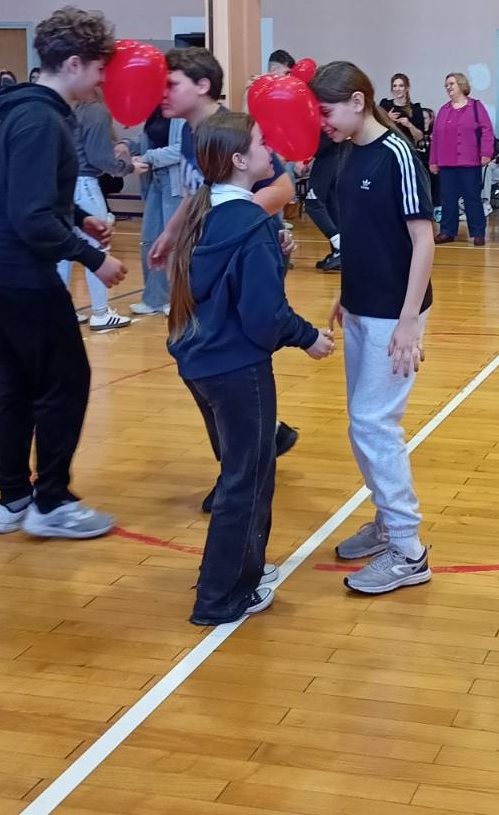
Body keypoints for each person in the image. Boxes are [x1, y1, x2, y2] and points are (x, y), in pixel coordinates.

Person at [0, 6, 126, 540]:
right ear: (73, 63)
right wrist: (93, 257)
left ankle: (14, 497)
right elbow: (30, 216)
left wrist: (79, 216)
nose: (102, 80)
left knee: (14, 377)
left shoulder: (29, 111)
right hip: (15, 269)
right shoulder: (39, 119)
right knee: (66, 378)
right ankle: (51, 501)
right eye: (98, 68)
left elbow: (29, 192)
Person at [166, 109, 335, 625]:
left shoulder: (205, 213)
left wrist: (272, 258)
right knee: (248, 479)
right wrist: (308, 337)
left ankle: (241, 571)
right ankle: (221, 596)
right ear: (240, 160)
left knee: (241, 472)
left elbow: (222, 287)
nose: (270, 150)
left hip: (200, 362)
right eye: (261, 143)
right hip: (237, 368)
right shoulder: (251, 224)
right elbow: (263, 317)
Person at [310, 60, 436, 595]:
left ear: (358, 101)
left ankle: (408, 550)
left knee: (372, 421)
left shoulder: (397, 154)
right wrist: (346, 293)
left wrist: (408, 321)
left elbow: (423, 240)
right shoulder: (347, 152)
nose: (322, 122)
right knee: (362, 423)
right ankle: (387, 524)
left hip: (394, 312)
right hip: (361, 304)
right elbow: (363, 232)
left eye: (327, 111)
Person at [149, 46, 303, 460]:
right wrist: (172, 232)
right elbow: (202, 190)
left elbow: (283, 188)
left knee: (231, 351)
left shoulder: (234, 132)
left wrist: (233, 225)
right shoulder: (190, 133)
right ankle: (253, 441)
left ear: (202, 86)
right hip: (222, 251)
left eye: (171, 84)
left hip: (247, 257)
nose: (161, 93)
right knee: (212, 353)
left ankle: (250, 450)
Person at [56, 91, 136, 331]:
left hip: (65, 184)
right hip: (85, 186)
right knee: (98, 246)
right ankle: (101, 313)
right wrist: (127, 166)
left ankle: (61, 311)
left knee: (64, 251)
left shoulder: (72, 110)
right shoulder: (96, 111)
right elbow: (99, 157)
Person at [429, 71, 493, 246]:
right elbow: (436, 137)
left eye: (452, 84)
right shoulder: (444, 110)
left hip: (469, 161)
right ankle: (447, 231)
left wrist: (486, 152)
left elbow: (487, 130)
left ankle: (478, 232)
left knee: (472, 197)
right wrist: (433, 161)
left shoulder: (476, 106)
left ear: (461, 85)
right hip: (447, 162)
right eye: (446, 85)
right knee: (448, 198)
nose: (448, 87)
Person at [128, 108, 182, 316]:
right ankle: (154, 298)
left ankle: (178, 299)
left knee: (175, 242)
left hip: (177, 181)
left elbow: (181, 149)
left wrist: (147, 157)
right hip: (157, 179)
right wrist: (126, 144)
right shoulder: (154, 110)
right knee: (150, 239)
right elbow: (147, 138)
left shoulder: (181, 112)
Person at [306, 131, 345, 273]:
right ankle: (338, 253)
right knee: (331, 205)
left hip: (327, 156)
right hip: (333, 156)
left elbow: (325, 135)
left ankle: (340, 247)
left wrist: (305, 158)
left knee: (313, 204)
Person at [379, 73, 426, 147]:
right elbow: (376, 127)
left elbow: (420, 137)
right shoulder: (385, 104)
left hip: (406, 147)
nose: (397, 89)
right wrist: (387, 118)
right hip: (386, 147)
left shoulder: (415, 109)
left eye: (401, 86)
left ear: (407, 88)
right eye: (394, 86)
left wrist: (409, 125)